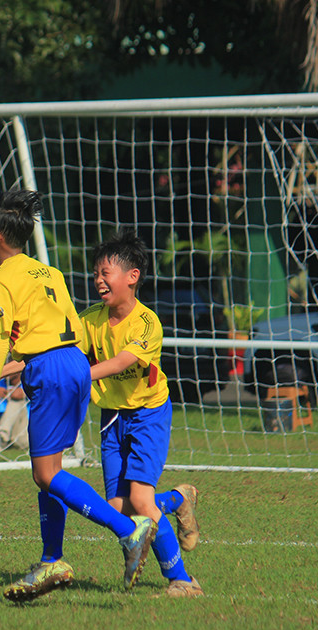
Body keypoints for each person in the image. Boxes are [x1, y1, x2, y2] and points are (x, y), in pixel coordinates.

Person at [0, 190, 157, 602]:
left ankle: (129, 530)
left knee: (46, 474)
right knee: (47, 471)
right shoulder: (47, 272)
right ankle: (52, 558)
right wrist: (14, 370)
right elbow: (53, 335)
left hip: (49, 371)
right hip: (72, 366)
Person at [78, 233, 203, 597]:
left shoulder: (147, 324)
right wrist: (5, 374)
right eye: (95, 273)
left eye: (106, 272)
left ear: (132, 277)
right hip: (113, 418)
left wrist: (76, 377)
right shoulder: (90, 320)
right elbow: (52, 352)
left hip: (148, 414)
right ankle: (179, 499)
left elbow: (120, 363)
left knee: (143, 503)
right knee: (119, 510)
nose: (98, 280)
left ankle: (183, 581)